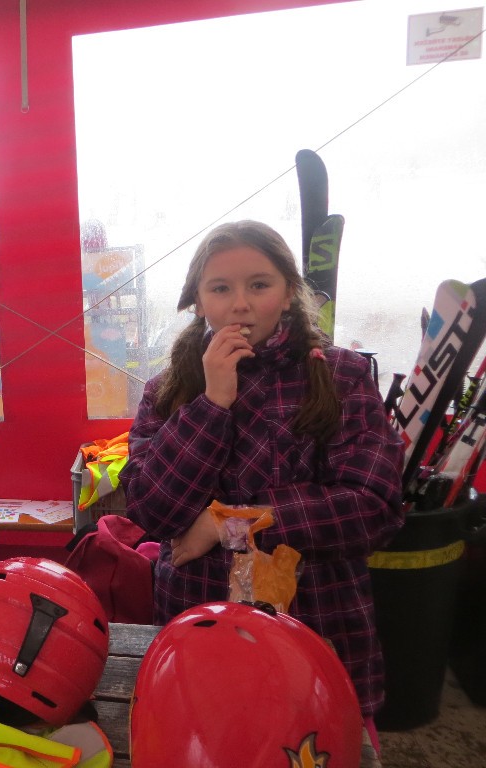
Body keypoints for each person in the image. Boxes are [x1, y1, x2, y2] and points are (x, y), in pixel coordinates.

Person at [119, 220, 404, 748]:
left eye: (259, 284)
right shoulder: (169, 388)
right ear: (198, 301)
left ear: (289, 292)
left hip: (318, 620)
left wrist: (227, 524)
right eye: (220, 288)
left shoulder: (340, 376)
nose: (241, 304)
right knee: (205, 743)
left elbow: (373, 506)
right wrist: (212, 403)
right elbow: (151, 510)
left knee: (318, 746)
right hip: (199, 620)